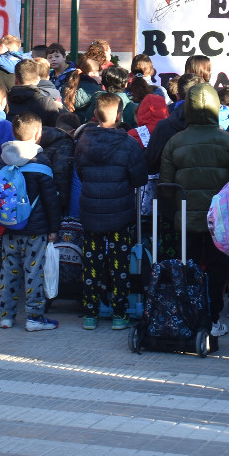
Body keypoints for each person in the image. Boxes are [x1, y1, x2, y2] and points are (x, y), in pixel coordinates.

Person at [159, 81, 229, 336]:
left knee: (189, 267)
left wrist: (173, 212)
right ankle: (213, 318)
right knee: (217, 269)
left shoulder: (174, 141)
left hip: (185, 215)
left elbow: (166, 184)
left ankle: (191, 318)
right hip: (220, 219)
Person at [73, 92, 148, 330]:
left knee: (91, 262)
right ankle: (119, 315)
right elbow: (139, 178)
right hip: (120, 213)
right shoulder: (128, 143)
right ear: (118, 115)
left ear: (95, 115)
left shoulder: (83, 141)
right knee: (120, 264)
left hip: (91, 210)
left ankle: (90, 314)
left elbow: (80, 172)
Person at [0, 112, 62, 331]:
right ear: (38, 134)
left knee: (8, 270)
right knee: (33, 274)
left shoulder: (1, 160)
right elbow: (51, 200)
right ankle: (34, 317)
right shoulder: (41, 162)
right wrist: (54, 228)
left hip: (9, 227)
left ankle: (5, 316)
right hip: (36, 230)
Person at [8, 57, 63, 127]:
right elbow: (55, 130)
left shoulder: (4, 101)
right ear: (38, 80)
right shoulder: (47, 103)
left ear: (16, 79)